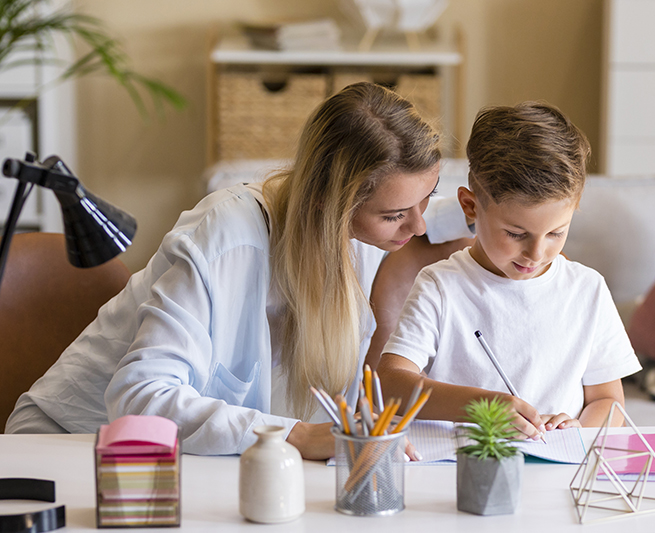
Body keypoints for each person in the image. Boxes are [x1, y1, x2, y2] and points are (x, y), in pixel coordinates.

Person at [5, 82, 472, 458]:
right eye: (394, 215)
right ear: (327, 205)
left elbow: (461, 215)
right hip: (70, 444)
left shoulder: (364, 229)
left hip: (194, 460)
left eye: (426, 199)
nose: (418, 224)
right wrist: (299, 436)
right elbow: (141, 396)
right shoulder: (229, 235)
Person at [377, 102, 642, 440]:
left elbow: (608, 401)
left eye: (556, 233)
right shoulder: (440, 286)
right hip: (462, 471)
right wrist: (482, 406)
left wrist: (578, 431)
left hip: (555, 471)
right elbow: (391, 384)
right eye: (516, 234)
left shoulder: (587, 290)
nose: (536, 253)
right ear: (470, 207)